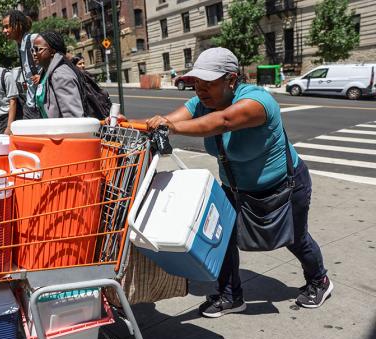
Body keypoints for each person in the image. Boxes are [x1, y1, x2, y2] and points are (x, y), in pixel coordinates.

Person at [125, 47, 333, 317]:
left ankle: (320, 280)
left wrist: (170, 126)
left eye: (208, 83)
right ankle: (230, 295)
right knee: (221, 238)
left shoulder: (257, 102)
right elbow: (166, 122)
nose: (200, 90)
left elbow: (222, 121)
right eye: (196, 83)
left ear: (232, 79)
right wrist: (128, 124)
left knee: (295, 238)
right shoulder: (200, 103)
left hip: (283, 186)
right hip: (235, 189)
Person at [31, 31, 84, 118]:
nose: (34, 54)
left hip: (62, 131)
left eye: (38, 49)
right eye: (32, 50)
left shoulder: (60, 75)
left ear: (52, 51)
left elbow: (73, 117)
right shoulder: (46, 73)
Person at [2, 10, 41, 119]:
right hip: (30, 104)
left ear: (18, 25)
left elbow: (58, 58)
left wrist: (42, 76)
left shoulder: (34, 39)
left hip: (42, 104)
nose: (4, 31)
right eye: (3, 27)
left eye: (7, 27)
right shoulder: (19, 46)